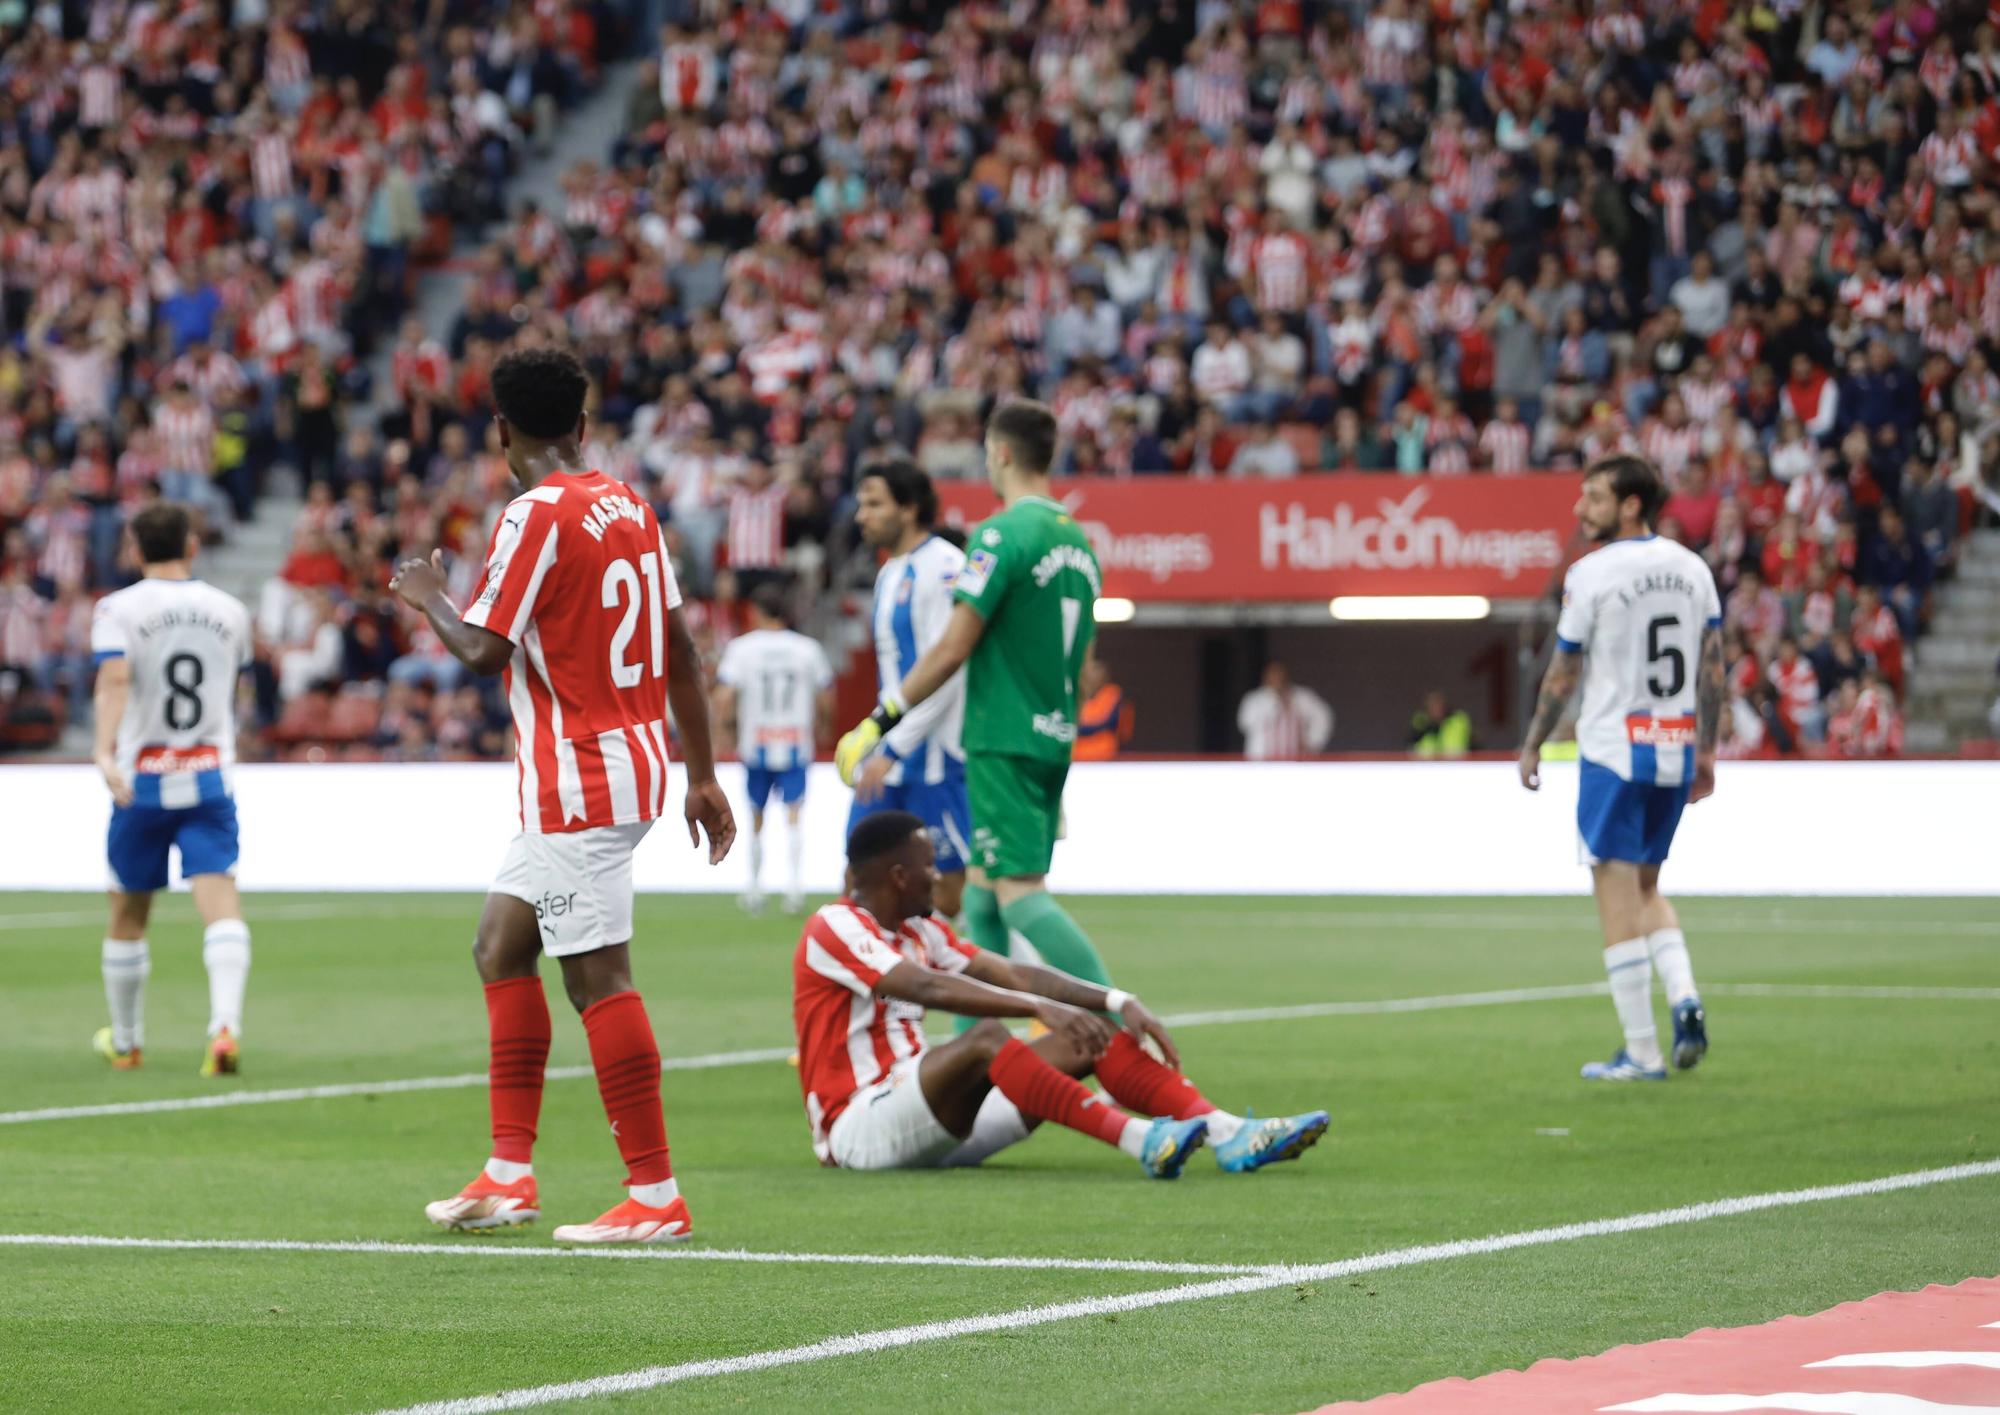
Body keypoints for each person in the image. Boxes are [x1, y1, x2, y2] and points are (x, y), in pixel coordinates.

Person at [391, 346, 737, 1246]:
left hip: (579, 776)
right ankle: (509, 1173)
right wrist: (701, 774)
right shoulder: (632, 506)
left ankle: (655, 1191)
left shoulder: (532, 515)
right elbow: (683, 655)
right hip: (628, 762)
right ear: (581, 426)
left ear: (503, 431)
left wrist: (428, 597)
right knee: (500, 945)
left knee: (598, 980)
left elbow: (481, 651)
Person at [793, 810, 1329, 1175]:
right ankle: (1143, 1140)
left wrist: (1115, 1001)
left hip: (936, 1118)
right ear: (896, 875)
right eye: (929, 865)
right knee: (985, 1038)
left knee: (1089, 1036)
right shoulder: (834, 925)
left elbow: (1018, 975)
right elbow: (927, 986)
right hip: (858, 1128)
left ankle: (1229, 1133)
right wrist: (1038, 1009)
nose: (939, 876)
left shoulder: (921, 931)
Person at [835, 398, 1117, 996]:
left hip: (999, 737)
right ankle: (981, 1056)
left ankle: (1120, 1022)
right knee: (982, 904)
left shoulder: (1000, 534)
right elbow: (1087, 667)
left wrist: (881, 719)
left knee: (1018, 899)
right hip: (1054, 736)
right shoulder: (1080, 543)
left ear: (1002, 454)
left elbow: (952, 647)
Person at [1518, 454, 1720, 1083]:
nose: (1580, 509)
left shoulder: (1591, 572)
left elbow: (1564, 669)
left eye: (1594, 497)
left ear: (1631, 504)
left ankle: (1642, 1051)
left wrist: (1532, 742)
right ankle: (1685, 1000)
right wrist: (1707, 750)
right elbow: (1713, 664)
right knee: (1647, 887)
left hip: (1611, 752)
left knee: (1613, 895)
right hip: (1674, 744)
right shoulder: (1694, 569)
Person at [87, 502, 255, 1078]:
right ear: (191, 546)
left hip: (142, 780)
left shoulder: (116, 609)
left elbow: (114, 679)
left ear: (135, 550)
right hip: (208, 773)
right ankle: (224, 1027)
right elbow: (243, 689)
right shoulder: (231, 611)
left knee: (129, 912)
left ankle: (128, 1041)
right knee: (221, 904)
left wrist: (105, 751)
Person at [847, 458, 972, 920]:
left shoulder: (944, 566)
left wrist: (893, 748)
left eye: (874, 503)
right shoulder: (890, 573)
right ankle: (889, 992)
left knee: (945, 897)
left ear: (910, 507)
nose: (863, 515)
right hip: (889, 759)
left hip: (934, 759)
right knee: (859, 882)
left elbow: (947, 670)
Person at [713, 583, 834, 915]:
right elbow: (825, 695)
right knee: (795, 814)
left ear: (756, 611)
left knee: (755, 816)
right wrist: (823, 724)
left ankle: (754, 889)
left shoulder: (741, 648)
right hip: (795, 740)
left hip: (757, 742)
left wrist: (723, 731)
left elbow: (724, 696)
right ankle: (794, 890)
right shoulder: (807, 649)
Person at [1236, 662, 1334, 760]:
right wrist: (1275, 701)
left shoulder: (1301, 697)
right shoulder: (1254, 699)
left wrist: (1312, 741)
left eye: (1279, 674)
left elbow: (1323, 717)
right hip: (1262, 760)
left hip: (1296, 760)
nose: (1276, 678)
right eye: (1272, 675)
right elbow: (1244, 724)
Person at [1072, 657, 1134, 761]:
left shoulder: (1112, 694)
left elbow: (1108, 723)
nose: (1092, 676)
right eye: (1089, 671)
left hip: (1103, 753)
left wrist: (1077, 729)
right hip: (1075, 753)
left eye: (1096, 671)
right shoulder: (1075, 694)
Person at [1409, 690, 1473, 757]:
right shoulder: (1422, 725)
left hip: (1455, 764)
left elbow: (1457, 748)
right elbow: (1413, 749)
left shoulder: (1458, 721)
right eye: (1432, 706)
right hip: (1428, 765)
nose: (1436, 710)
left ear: (1444, 706)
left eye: (1438, 705)